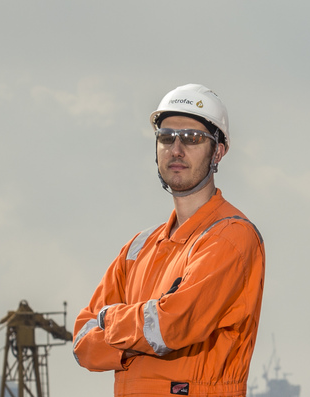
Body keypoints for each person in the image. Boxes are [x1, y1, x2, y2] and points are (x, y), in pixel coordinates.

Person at [72, 83, 266, 397]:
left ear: (218, 150)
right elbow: (83, 342)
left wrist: (109, 319)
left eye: (192, 138)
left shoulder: (231, 236)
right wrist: (145, 328)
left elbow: (173, 326)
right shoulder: (139, 247)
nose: (176, 149)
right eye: (166, 137)